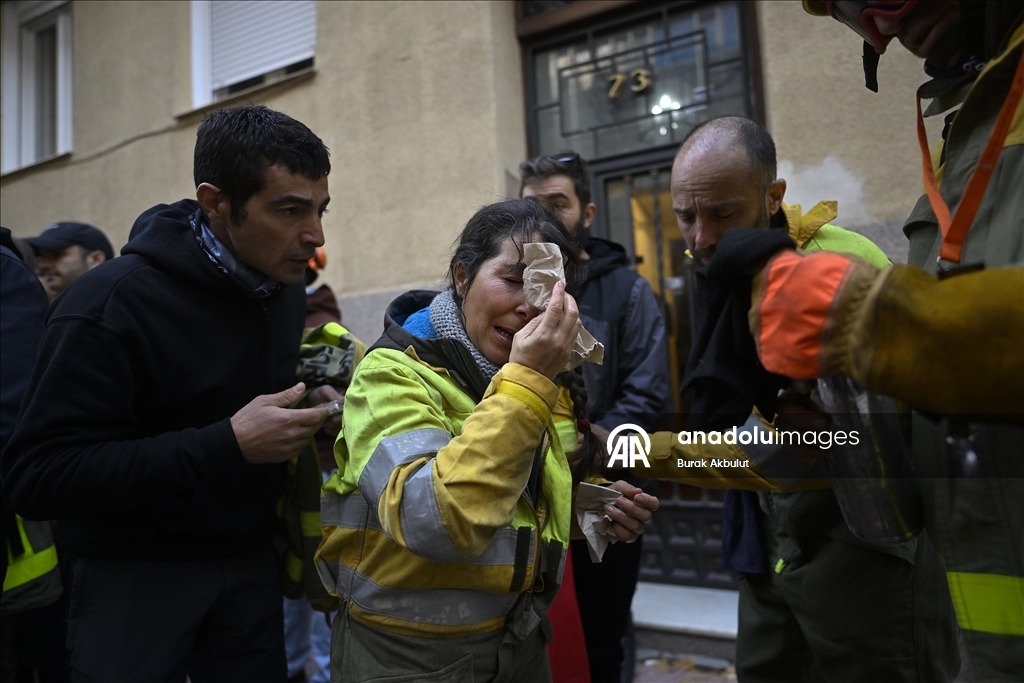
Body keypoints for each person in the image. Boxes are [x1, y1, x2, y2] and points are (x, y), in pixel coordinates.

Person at [733, 2, 1023, 679]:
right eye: (842, 10)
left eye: (718, 210)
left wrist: (868, 320)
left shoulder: (837, 253)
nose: (878, 27)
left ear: (770, 196)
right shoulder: (975, 118)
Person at [2, 105, 339, 682]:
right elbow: (38, 476)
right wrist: (227, 444)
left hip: (248, 576)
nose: (315, 236)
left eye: (320, 209)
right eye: (289, 210)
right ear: (216, 203)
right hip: (131, 582)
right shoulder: (109, 305)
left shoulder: (279, 291)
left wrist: (316, 406)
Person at [315, 199, 660, 683]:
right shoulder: (390, 376)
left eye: (547, 289)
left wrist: (584, 510)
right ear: (461, 277)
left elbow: (509, 491)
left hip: (518, 645)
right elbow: (436, 518)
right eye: (514, 279)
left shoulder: (529, 379)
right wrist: (526, 381)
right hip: (408, 660)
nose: (528, 306)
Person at [669, 115, 959, 682]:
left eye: (723, 213)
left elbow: (895, 424)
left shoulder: (841, 265)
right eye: (685, 216)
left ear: (772, 196)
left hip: (863, 542)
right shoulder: (718, 266)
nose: (700, 237)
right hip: (771, 538)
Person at [520, 151, 670, 683]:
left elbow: (648, 394)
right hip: (530, 497)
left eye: (557, 203)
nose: (545, 216)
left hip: (605, 490)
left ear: (586, 213)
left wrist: (584, 441)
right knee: (536, 633)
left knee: (603, 635)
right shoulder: (515, 290)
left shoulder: (628, 290)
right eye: (533, 205)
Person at [24, 222, 113, 302]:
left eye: (56, 254)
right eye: (41, 256)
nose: (42, 265)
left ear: (95, 259)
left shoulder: (116, 306)